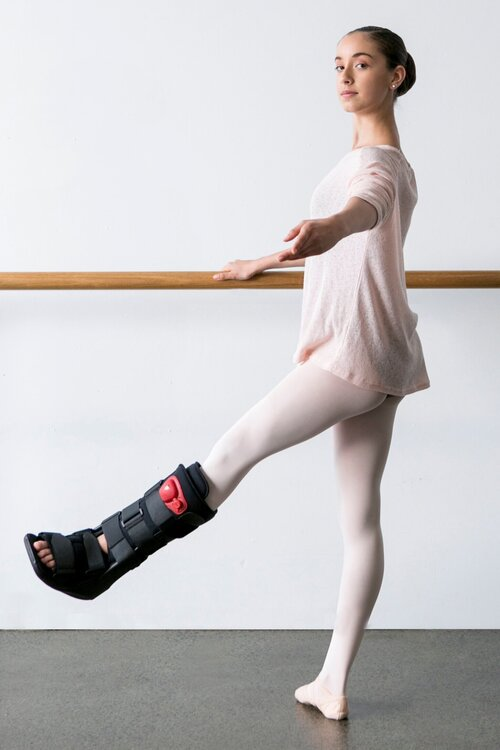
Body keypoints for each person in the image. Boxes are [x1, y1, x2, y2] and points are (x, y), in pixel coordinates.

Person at [24, 25, 430, 721]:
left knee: (233, 450)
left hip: (351, 354)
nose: (344, 76)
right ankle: (331, 682)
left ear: (394, 76)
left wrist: (329, 228)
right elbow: (343, 243)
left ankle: (102, 551)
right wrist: (264, 261)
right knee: (361, 519)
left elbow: (359, 215)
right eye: (337, 64)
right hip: (383, 354)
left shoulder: (381, 167)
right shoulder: (373, 158)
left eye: (361, 64)